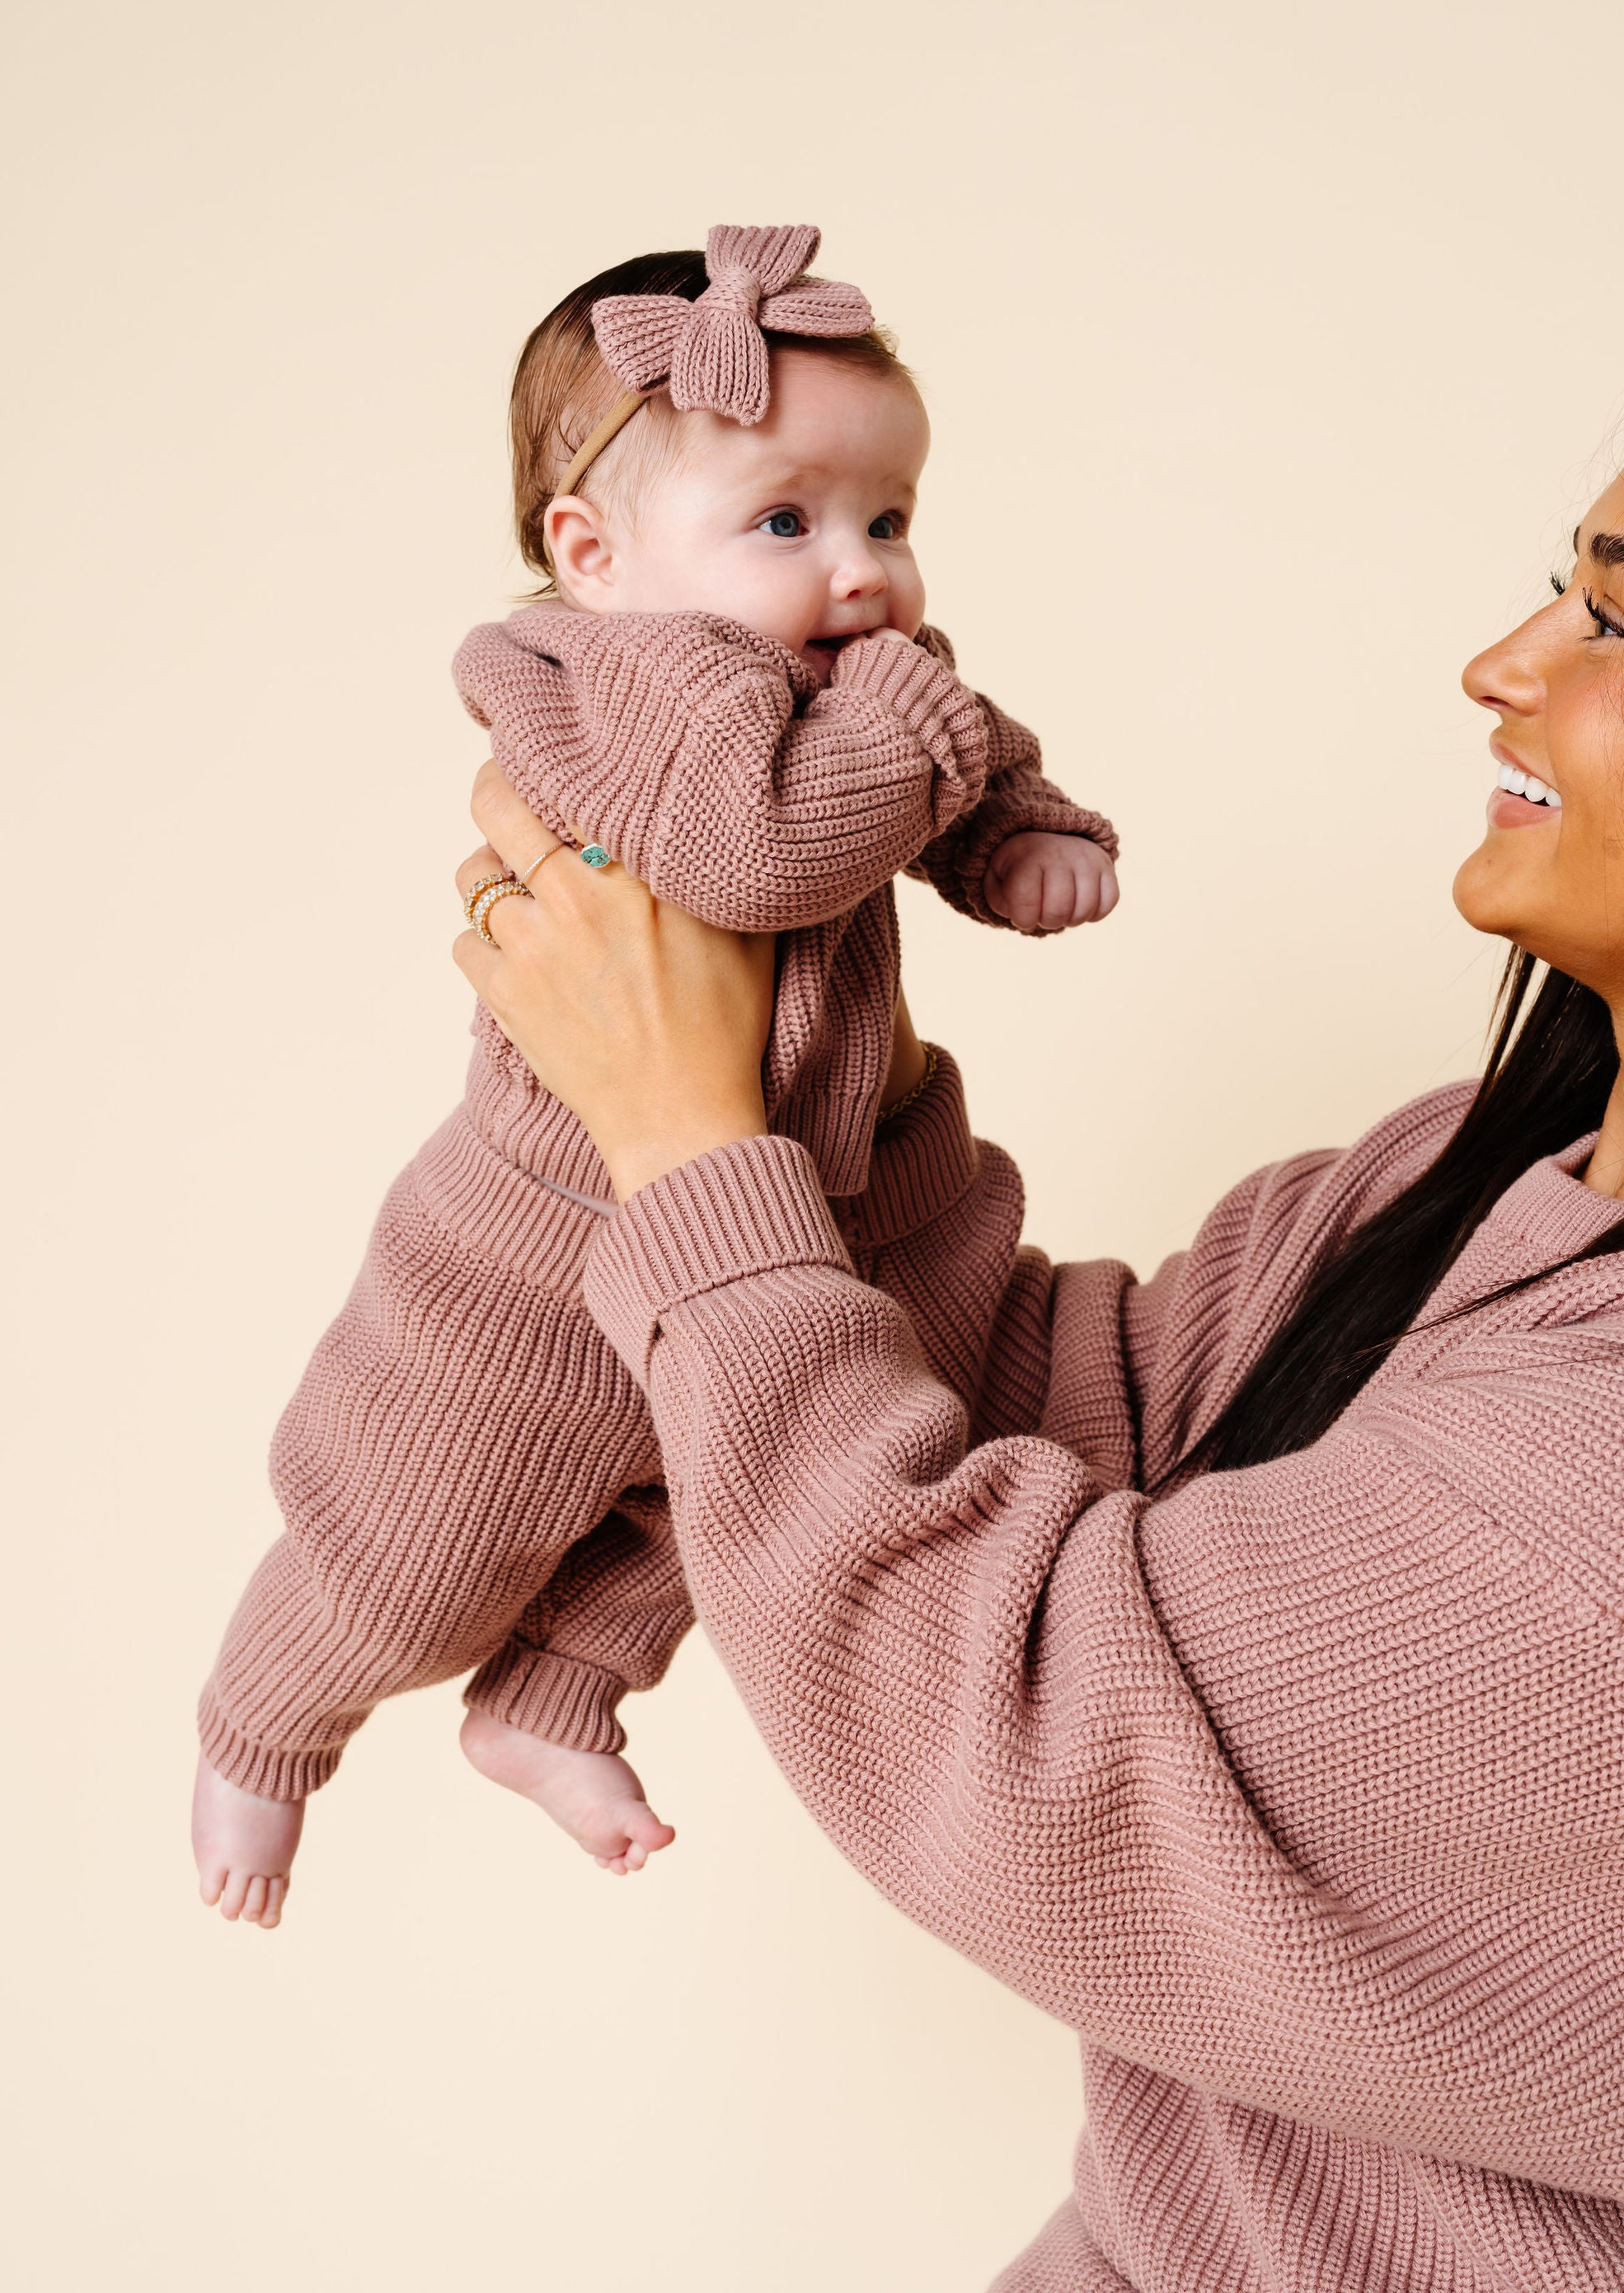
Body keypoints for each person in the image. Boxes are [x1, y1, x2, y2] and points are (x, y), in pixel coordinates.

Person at [449, 475, 1624, 2289]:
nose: (1501, 664)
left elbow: (1030, 1712)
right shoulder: (1474, 1172)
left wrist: (685, 1143)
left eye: (1610, 621)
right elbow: (1072, 1421)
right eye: (1551, 587)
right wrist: (802, 1039)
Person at [192, 225, 1119, 1925]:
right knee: (411, 1550)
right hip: (533, 1255)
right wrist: (930, 733)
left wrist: (1019, 834)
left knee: (740, 1498)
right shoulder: (641, 682)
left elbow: (959, 757)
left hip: (785, 1203)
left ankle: (556, 1698)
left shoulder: (838, 680)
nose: (865, 574)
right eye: (788, 521)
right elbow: (760, 857)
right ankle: (264, 1724)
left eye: (888, 519)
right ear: (591, 552)